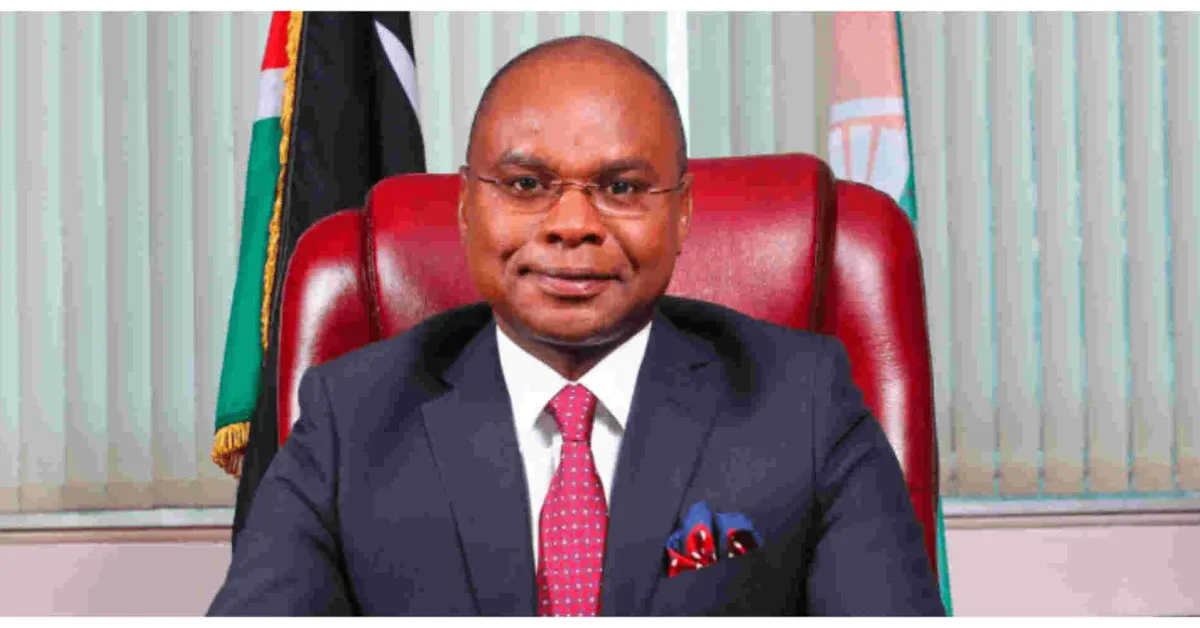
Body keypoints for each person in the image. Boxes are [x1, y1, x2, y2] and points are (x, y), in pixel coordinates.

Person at [208, 35, 945, 616]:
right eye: (527, 185)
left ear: (682, 214)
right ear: (466, 206)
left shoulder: (802, 402)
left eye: (620, 187)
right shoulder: (352, 416)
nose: (571, 224)